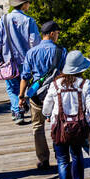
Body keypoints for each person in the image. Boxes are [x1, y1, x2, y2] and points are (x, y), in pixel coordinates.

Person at [41, 51, 90, 179]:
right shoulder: (85, 84)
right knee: (77, 153)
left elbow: (46, 107)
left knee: (62, 161)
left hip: (59, 128)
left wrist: (47, 115)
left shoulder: (55, 84)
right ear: (81, 69)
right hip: (79, 127)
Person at [19, 19, 65, 171]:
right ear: (51, 34)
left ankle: (43, 159)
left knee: (38, 127)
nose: (57, 36)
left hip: (37, 95)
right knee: (57, 124)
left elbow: (25, 76)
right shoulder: (61, 51)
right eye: (57, 33)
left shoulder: (31, 52)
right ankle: (61, 156)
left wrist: (21, 96)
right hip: (56, 93)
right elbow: (65, 73)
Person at [0, 0, 40, 125]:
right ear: (24, 5)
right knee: (27, 86)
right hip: (26, 61)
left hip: (9, 60)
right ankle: (23, 108)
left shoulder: (4, 19)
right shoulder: (29, 21)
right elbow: (34, 42)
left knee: (11, 87)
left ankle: (17, 111)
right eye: (28, 3)